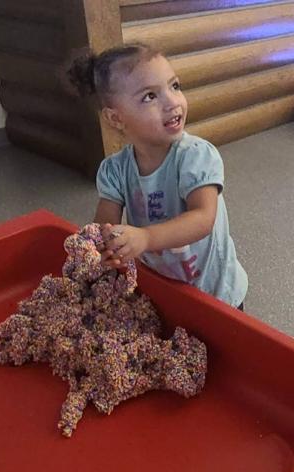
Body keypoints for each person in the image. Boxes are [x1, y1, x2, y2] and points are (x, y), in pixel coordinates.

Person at [67, 44, 248, 309]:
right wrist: (107, 246)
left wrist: (146, 238)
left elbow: (203, 219)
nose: (172, 102)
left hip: (215, 291)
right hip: (163, 286)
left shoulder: (196, 156)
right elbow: (104, 227)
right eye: (150, 96)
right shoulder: (115, 170)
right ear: (116, 118)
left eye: (174, 86)